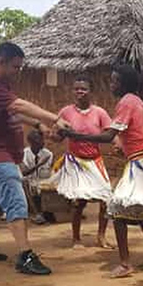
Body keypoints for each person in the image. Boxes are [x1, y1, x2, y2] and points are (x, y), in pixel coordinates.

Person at [60, 64, 143, 278]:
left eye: (114, 81)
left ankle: (125, 263)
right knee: (139, 212)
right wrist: (124, 146)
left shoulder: (126, 102)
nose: (111, 85)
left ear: (124, 83)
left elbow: (107, 136)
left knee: (116, 209)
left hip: (142, 163)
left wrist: (76, 136)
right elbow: (136, 132)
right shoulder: (137, 101)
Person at [0, 42, 70, 276]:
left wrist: (38, 125)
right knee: (15, 196)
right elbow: (18, 104)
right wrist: (54, 119)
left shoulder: (1, 83)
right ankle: (25, 255)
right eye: (16, 67)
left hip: (2, 151)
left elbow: (13, 111)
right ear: (1, 61)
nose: (18, 72)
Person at [52, 77, 114, 249]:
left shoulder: (100, 113)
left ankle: (101, 237)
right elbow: (56, 136)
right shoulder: (66, 112)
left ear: (90, 91)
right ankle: (76, 239)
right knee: (78, 202)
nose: (79, 92)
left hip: (95, 160)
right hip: (75, 161)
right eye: (76, 89)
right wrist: (57, 135)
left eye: (83, 89)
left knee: (105, 199)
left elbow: (109, 134)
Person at [20, 129, 54, 225]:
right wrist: (39, 164)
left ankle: (48, 212)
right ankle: (37, 213)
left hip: (43, 181)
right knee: (26, 184)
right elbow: (25, 172)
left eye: (41, 139)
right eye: (38, 140)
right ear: (31, 142)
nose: (42, 142)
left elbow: (50, 170)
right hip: (29, 181)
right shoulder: (24, 154)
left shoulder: (48, 154)